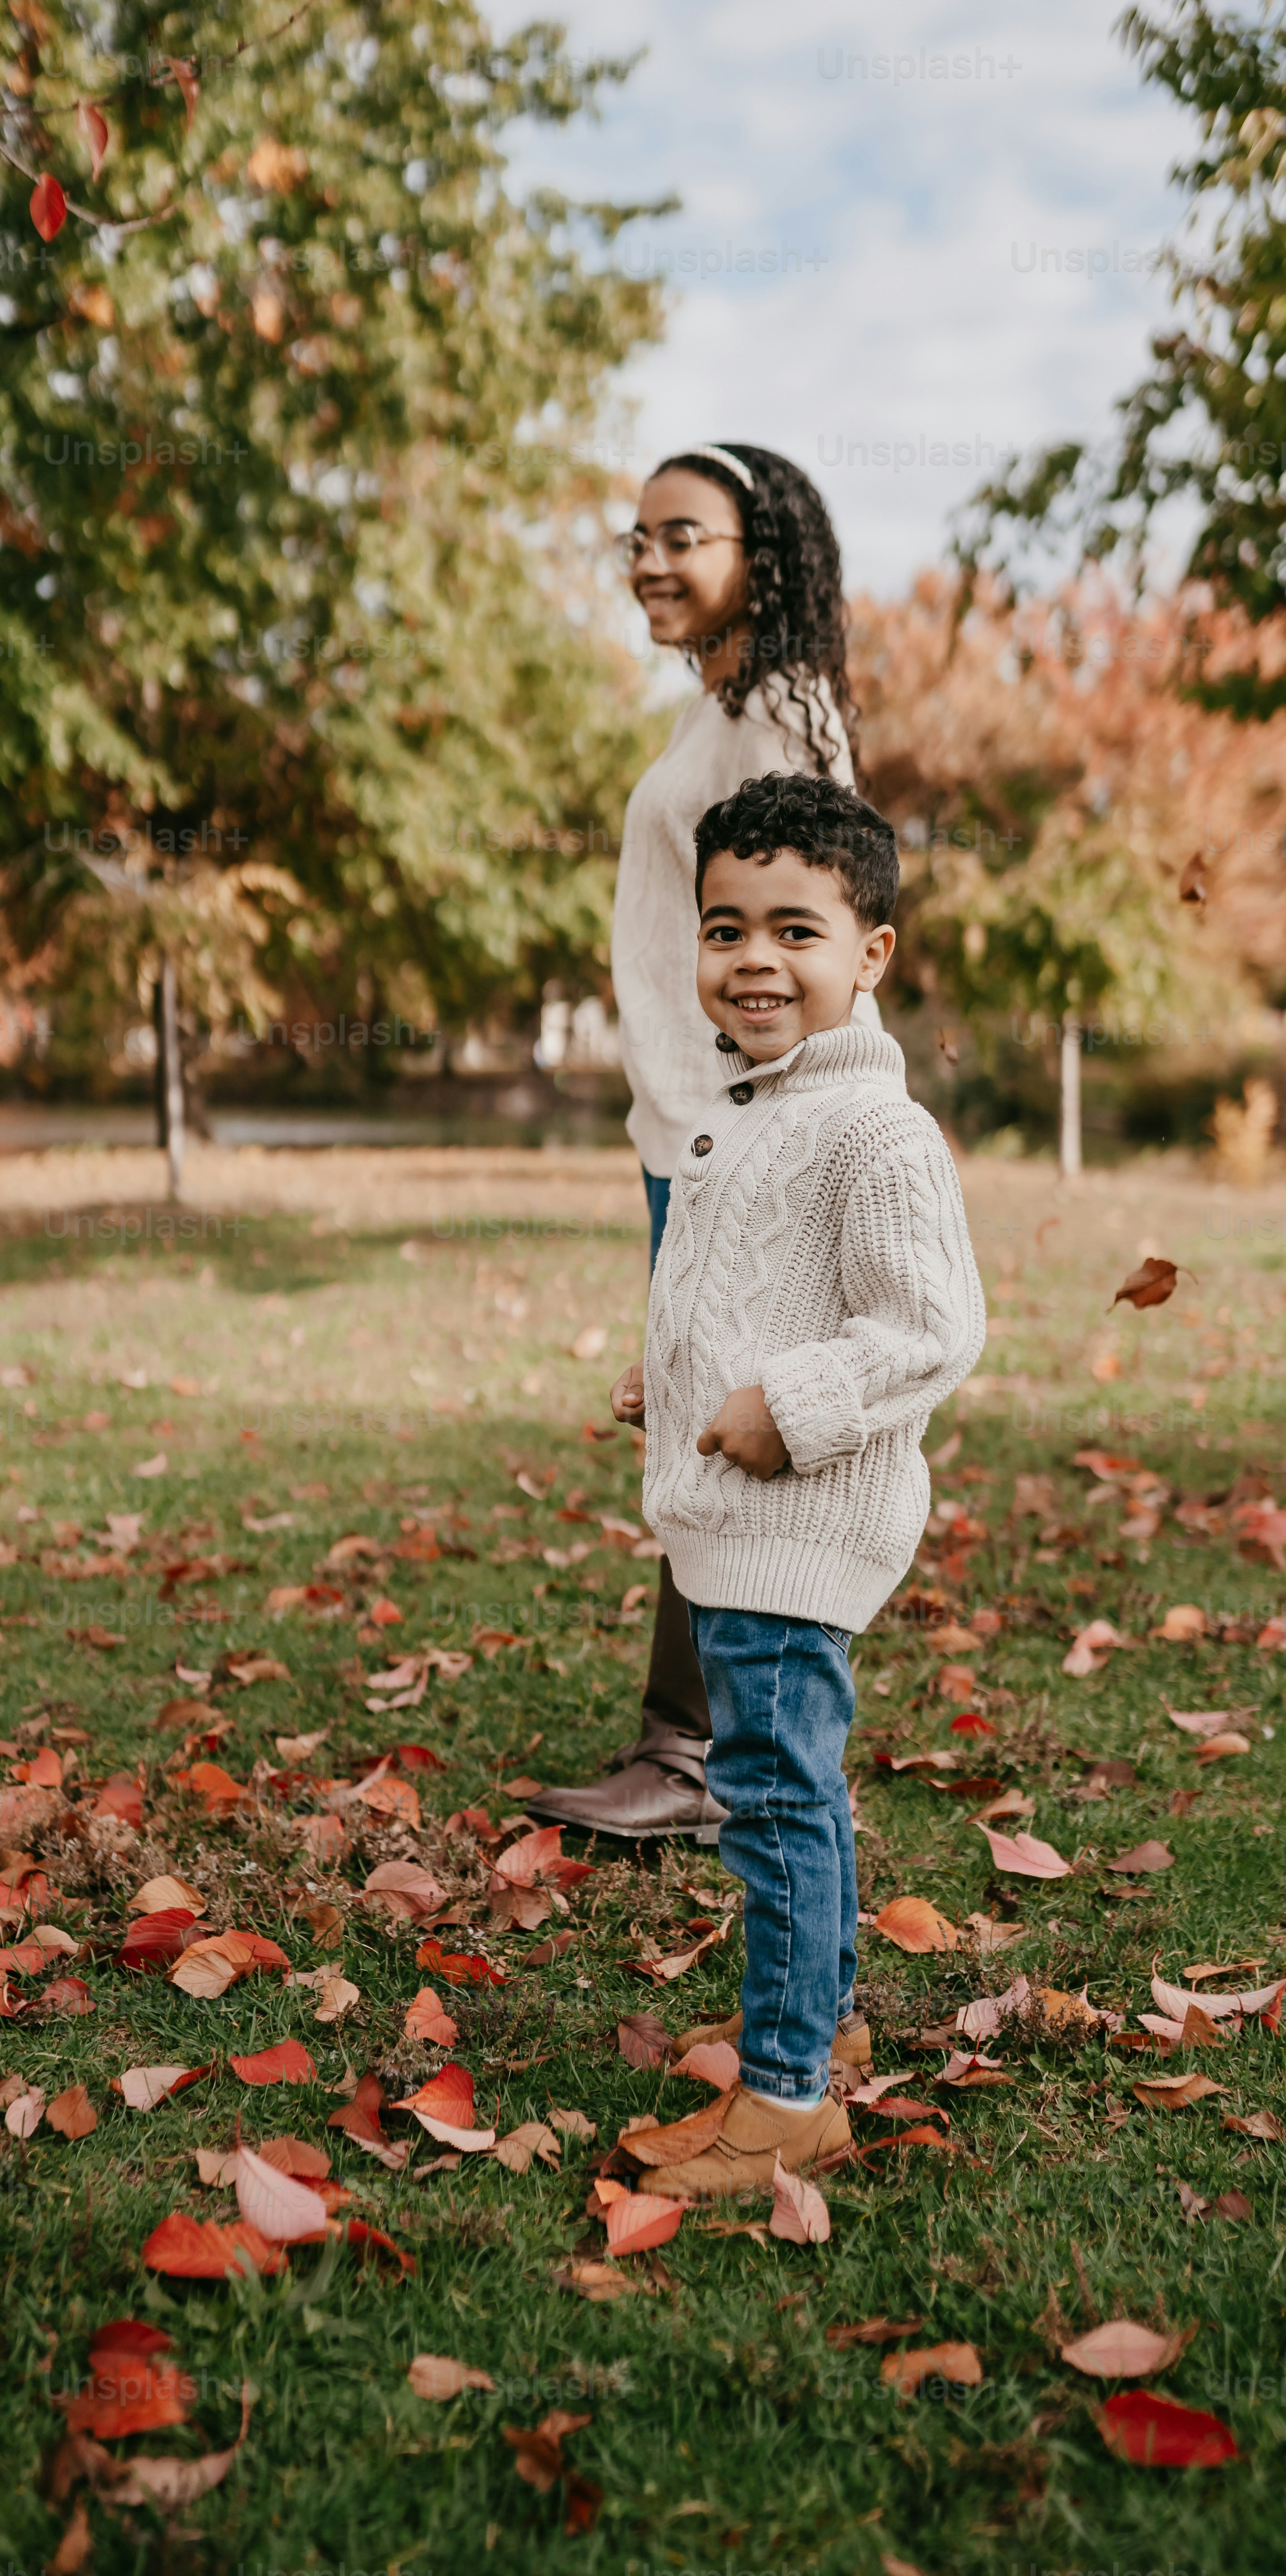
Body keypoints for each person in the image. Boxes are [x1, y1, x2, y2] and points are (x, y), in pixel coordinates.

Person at [604, 771, 985, 2185]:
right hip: (735, 1521)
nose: (754, 959)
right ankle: (801, 2047)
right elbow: (741, 1288)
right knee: (777, 1786)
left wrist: (794, 1406)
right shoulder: (751, 1104)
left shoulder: (874, 1131)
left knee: (773, 1795)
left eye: (795, 930)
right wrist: (678, 1377)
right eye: (723, 928)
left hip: (798, 1525)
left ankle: (785, 2098)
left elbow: (931, 1328)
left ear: (870, 953)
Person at [527, 442, 880, 1844]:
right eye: (638, 538)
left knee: (723, 1418)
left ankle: (699, 1752)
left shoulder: (782, 712)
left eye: (685, 535)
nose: (650, 562)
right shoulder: (716, 711)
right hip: (685, 1123)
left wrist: (781, 1116)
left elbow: (817, 918)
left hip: (735, 1131)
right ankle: (708, 1741)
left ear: (763, 555)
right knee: (700, 1403)